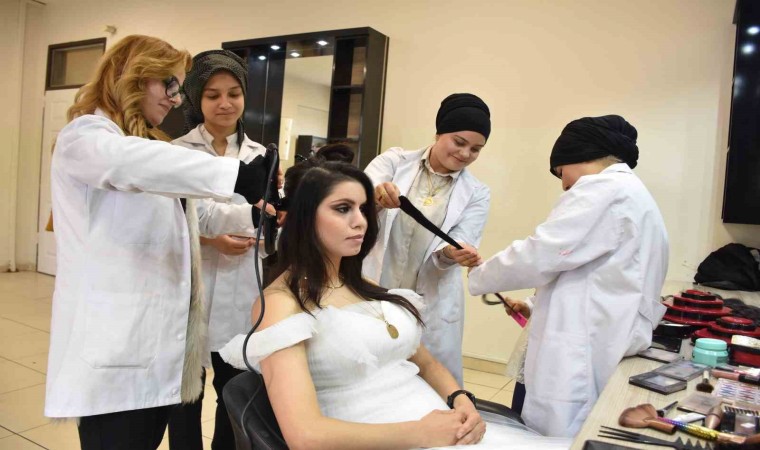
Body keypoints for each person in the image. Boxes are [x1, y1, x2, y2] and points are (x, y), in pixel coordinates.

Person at [220, 162, 570, 449]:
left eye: (362, 209)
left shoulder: (366, 287)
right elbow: (305, 436)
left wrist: (461, 401)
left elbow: (427, 363)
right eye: (342, 209)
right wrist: (421, 433)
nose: (360, 221)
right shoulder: (281, 305)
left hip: (440, 428)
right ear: (303, 217)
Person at [44, 35, 271, 450]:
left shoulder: (150, 149)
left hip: (153, 346)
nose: (174, 98)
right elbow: (123, 161)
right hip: (115, 350)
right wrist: (236, 175)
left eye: (178, 88)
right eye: (168, 84)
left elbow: (194, 216)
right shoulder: (86, 136)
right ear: (132, 77)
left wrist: (256, 215)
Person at [468, 115, 669, 437]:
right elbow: (593, 273)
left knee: (559, 432)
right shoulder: (634, 193)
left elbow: (543, 252)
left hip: (581, 349)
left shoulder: (603, 189)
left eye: (561, 172)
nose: (563, 184)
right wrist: (533, 304)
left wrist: (480, 273)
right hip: (607, 335)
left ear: (579, 155)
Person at [168, 49, 275, 450]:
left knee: (234, 392)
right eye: (213, 95)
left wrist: (262, 230)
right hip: (187, 284)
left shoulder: (262, 155)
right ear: (197, 99)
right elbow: (171, 219)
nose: (225, 103)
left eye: (234, 93)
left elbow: (271, 218)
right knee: (185, 395)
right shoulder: (175, 151)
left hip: (241, 285)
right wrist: (211, 239)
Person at [363, 93, 492, 384]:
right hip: (377, 286)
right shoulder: (394, 161)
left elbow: (460, 239)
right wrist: (376, 197)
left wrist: (453, 253)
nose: (465, 154)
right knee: (371, 373)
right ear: (439, 133)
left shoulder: (477, 192)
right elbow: (357, 200)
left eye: (476, 149)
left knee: (424, 382)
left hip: (429, 300)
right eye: (459, 142)